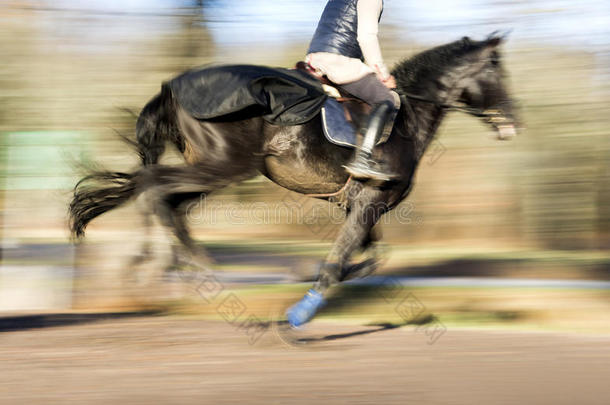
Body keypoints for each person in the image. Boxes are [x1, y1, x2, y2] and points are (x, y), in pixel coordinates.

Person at [306, 0, 400, 182]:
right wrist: (383, 75)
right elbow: (366, 37)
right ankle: (363, 161)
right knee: (386, 99)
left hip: (315, 58)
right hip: (337, 61)